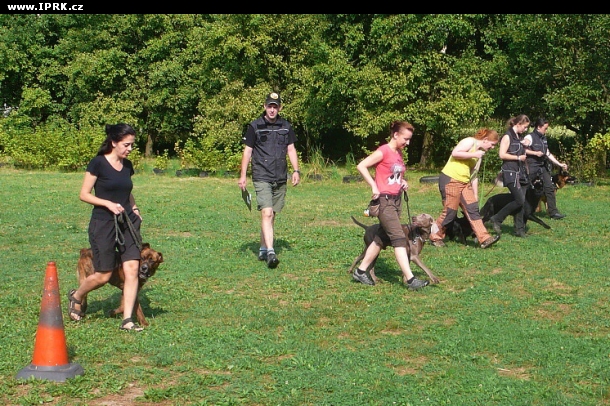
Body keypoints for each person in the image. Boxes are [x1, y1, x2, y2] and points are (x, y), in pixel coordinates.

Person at [67, 123, 144, 332]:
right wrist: (108, 204)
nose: (130, 149)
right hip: (104, 223)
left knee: (132, 269)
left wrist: (135, 208)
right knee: (103, 275)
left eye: (132, 145)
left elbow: (126, 190)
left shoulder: (127, 166)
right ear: (113, 142)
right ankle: (77, 296)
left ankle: (127, 320)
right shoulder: (98, 163)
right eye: (126, 145)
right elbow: (84, 194)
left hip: (127, 222)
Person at [352, 120, 429, 290]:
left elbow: (393, 174)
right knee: (399, 237)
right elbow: (361, 166)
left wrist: (402, 181)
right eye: (405, 139)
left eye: (409, 139)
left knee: (381, 238)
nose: (408, 143)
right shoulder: (384, 151)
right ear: (395, 135)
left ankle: (360, 271)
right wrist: (374, 186)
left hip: (396, 200)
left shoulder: (398, 153)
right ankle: (410, 280)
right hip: (385, 202)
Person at [238, 92, 300, 269]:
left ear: (279, 108)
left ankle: (263, 247)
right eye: (269, 106)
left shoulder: (286, 126)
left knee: (271, 214)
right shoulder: (255, 126)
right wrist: (243, 175)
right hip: (261, 175)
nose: (272, 110)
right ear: (264, 107)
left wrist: (296, 170)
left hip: (280, 176)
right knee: (266, 213)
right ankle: (271, 252)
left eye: (275, 106)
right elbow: (247, 152)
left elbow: (291, 149)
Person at [428, 128, 501, 249]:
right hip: (451, 179)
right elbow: (455, 153)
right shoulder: (470, 142)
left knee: (473, 209)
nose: (492, 148)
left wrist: (475, 194)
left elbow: (474, 175)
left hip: (464, 183)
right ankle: (435, 236)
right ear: (485, 139)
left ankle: (484, 239)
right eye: (492, 144)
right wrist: (474, 154)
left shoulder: (479, 155)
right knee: (450, 212)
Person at [488, 114, 531, 238]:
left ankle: (519, 229)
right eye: (525, 127)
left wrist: (526, 144)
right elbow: (502, 154)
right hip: (510, 172)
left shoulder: (519, 137)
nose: (526, 130)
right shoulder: (507, 136)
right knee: (519, 200)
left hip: (520, 172)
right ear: (518, 124)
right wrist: (518, 157)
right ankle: (497, 218)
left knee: (520, 201)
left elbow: (522, 149)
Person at [523, 117, 568, 219]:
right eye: (545, 128)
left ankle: (553, 212)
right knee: (525, 187)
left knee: (549, 187)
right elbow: (523, 149)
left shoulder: (543, 138)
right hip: (531, 166)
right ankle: (519, 209)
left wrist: (559, 164)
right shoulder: (530, 137)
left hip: (542, 166)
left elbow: (548, 153)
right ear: (539, 127)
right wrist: (534, 153)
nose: (546, 131)